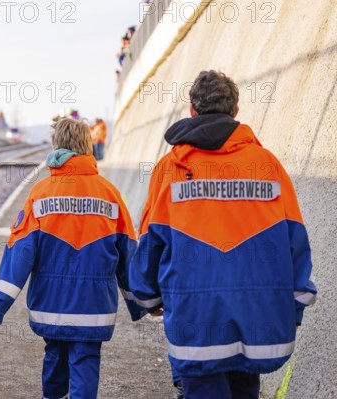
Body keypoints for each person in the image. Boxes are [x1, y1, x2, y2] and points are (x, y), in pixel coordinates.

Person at [130, 70, 316, 398]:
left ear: (192, 109)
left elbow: (151, 241)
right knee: (246, 388)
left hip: (195, 319)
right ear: (236, 110)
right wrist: (295, 305)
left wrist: (148, 297)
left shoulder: (170, 169)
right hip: (258, 316)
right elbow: (295, 241)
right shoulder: (267, 165)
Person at [0, 118, 146, 399]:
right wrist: (140, 303)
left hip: (51, 305)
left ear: (56, 146)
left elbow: (21, 251)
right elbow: (128, 254)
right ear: (89, 146)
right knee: (86, 363)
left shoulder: (40, 193)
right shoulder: (110, 194)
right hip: (93, 308)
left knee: (54, 358)